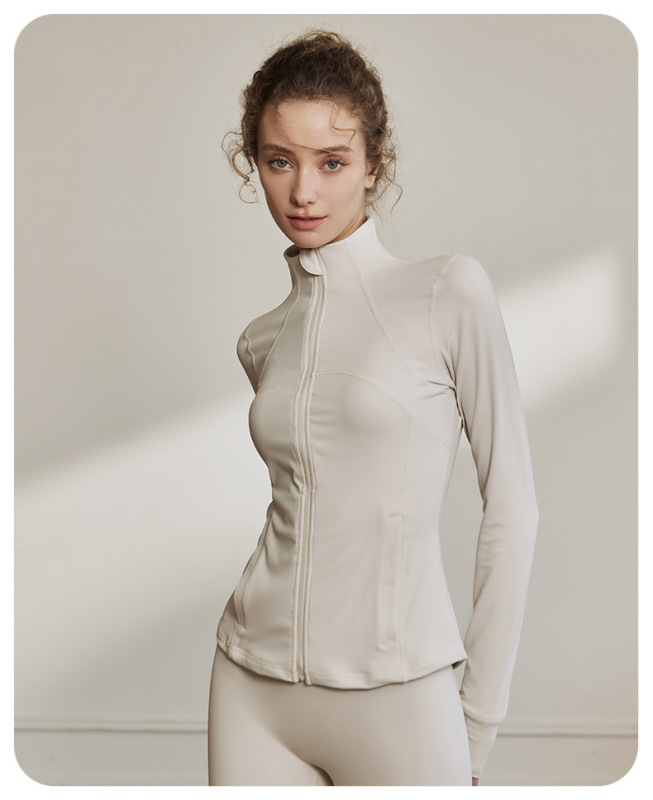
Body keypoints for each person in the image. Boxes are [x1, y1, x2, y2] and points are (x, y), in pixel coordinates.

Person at [207, 28, 539, 787]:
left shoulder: (446, 292)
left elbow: (513, 508)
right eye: (279, 161)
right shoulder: (262, 340)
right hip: (250, 683)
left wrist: (476, 722)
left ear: (373, 164)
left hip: (398, 694)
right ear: (253, 162)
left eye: (332, 162)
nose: (304, 191)